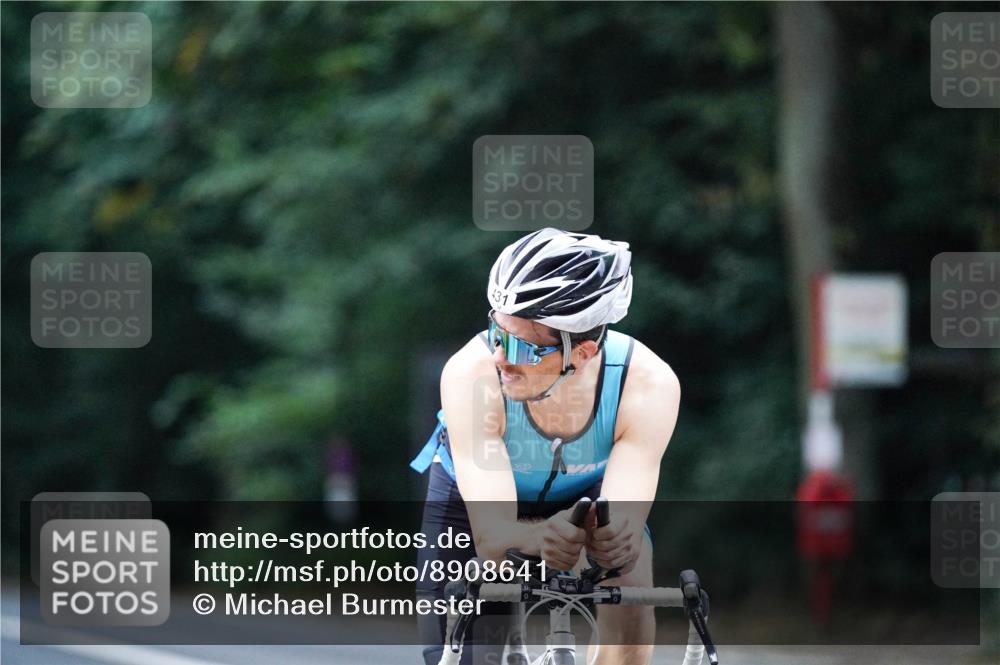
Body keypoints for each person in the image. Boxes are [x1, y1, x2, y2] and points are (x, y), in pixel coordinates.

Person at [410, 228, 681, 665]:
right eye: (497, 334)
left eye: (519, 345)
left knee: (630, 583)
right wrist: (540, 535)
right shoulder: (470, 374)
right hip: (474, 507)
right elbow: (493, 540)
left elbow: (623, 525)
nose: (500, 357)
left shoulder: (648, 384)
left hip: (583, 503)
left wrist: (611, 543)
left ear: (584, 352)